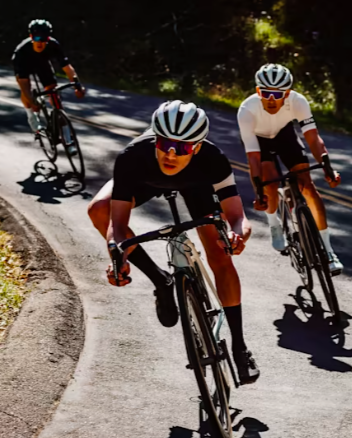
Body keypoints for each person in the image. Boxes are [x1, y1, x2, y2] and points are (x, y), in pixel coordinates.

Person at [87, 100, 260, 385]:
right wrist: (117, 260)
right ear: (154, 138)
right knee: (98, 210)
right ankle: (161, 281)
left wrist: (237, 236)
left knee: (219, 253)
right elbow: (116, 226)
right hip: (144, 179)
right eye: (164, 143)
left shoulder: (213, 159)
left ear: (198, 147)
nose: (171, 153)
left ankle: (240, 347)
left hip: (197, 185)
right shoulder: (133, 156)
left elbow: (237, 217)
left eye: (182, 147)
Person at [237, 63, 344, 275]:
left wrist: (327, 168)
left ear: (287, 93)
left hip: (284, 134)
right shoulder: (247, 110)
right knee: (271, 182)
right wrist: (259, 192)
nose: (271, 99)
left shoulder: (298, 102)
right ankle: (274, 224)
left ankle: (328, 251)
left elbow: (313, 138)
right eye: (266, 93)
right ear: (258, 91)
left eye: (278, 94)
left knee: (308, 188)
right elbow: (254, 158)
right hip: (260, 142)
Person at [12, 19, 86, 154]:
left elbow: (68, 68)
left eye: (44, 38)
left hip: (42, 64)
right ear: (31, 37)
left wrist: (78, 86)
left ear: (48, 38)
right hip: (24, 64)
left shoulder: (53, 44)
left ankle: (68, 140)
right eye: (37, 38)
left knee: (54, 95)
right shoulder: (21, 51)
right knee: (27, 93)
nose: (40, 42)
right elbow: (23, 84)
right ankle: (32, 118)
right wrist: (32, 101)